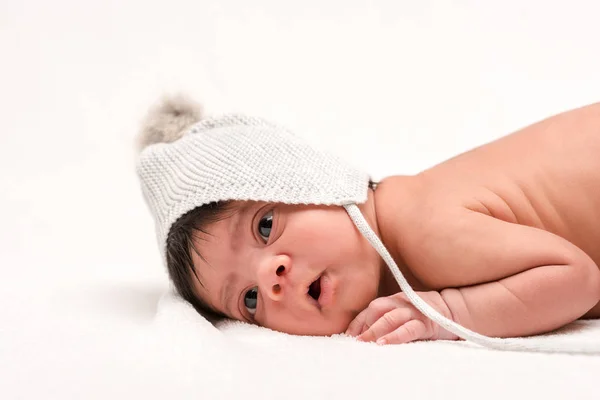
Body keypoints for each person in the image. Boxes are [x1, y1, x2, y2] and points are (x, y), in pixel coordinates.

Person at [136, 95, 600, 346]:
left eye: (264, 227)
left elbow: (576, 279)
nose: (270, 276)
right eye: (249, 299)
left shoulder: (421, 226)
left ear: (318, 183)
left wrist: (449, 312)